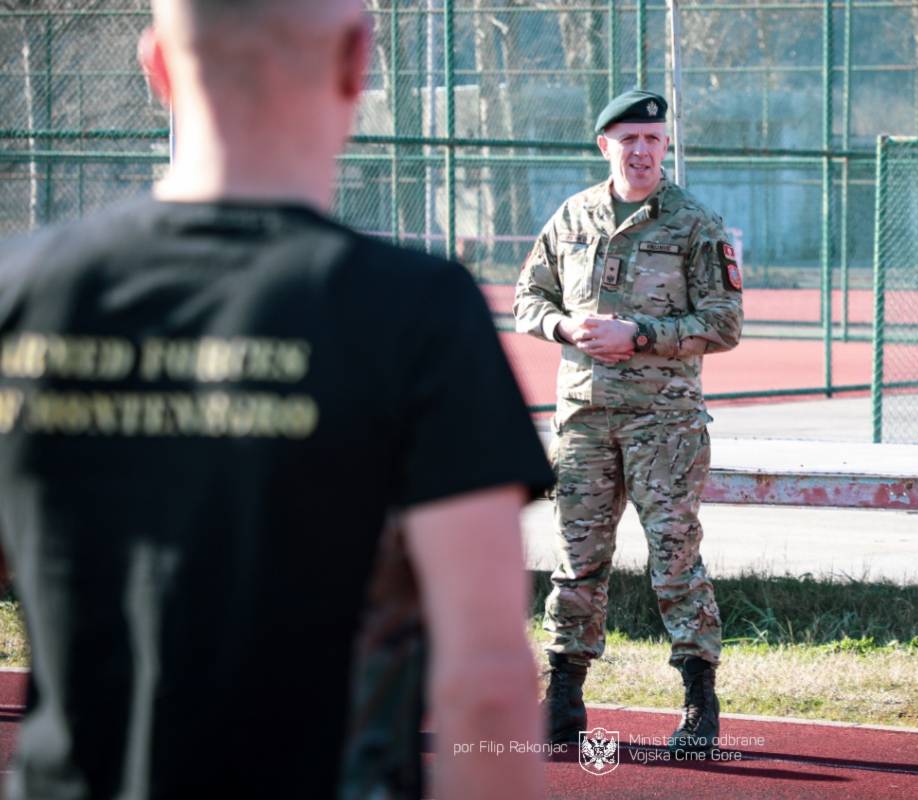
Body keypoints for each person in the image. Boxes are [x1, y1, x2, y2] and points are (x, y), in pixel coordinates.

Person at [0, 1, 552, 799]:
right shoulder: (417, 313)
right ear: (358, 61)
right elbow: (487, 681)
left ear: (155, 64)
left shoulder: (21, 294)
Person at [513, 89, 743, 754]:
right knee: (576, 563)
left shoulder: (694, 223)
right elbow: (528, 297)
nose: (641, 151)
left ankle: (699, 702)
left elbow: (724, 323)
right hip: (584, 419)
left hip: (663, 424)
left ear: (665, 146)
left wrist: (637, 334)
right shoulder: (573, 215)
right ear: (604, 145)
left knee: (675, 560)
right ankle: (564, 699)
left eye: (653, 140)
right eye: (628, 139)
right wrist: (564, 326)